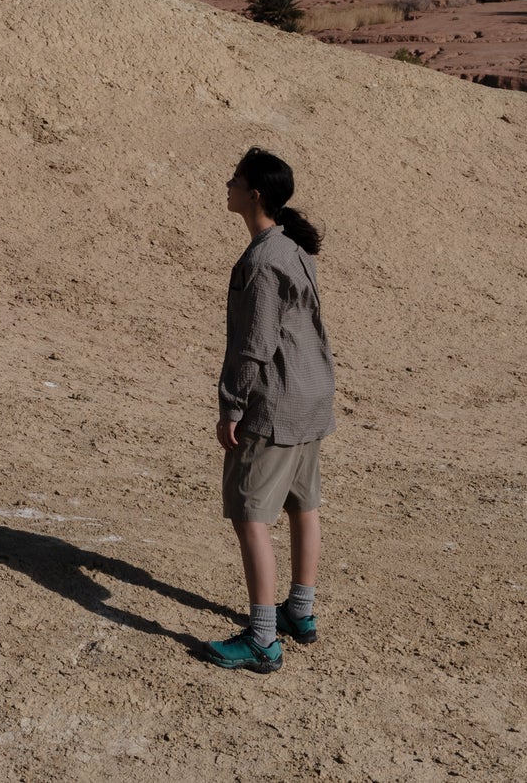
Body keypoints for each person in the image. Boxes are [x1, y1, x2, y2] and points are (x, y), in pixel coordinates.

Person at [204, 147, 335, 673]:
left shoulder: (262, 261)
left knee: (249, 515)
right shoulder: (293, 247)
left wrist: (232, 406)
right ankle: (299, 612)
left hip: (275, 403)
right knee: (304, 505)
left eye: (234, 179)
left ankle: (262, 638)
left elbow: (254, 345)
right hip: (311, 396)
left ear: (254, 195)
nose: (227, 185)